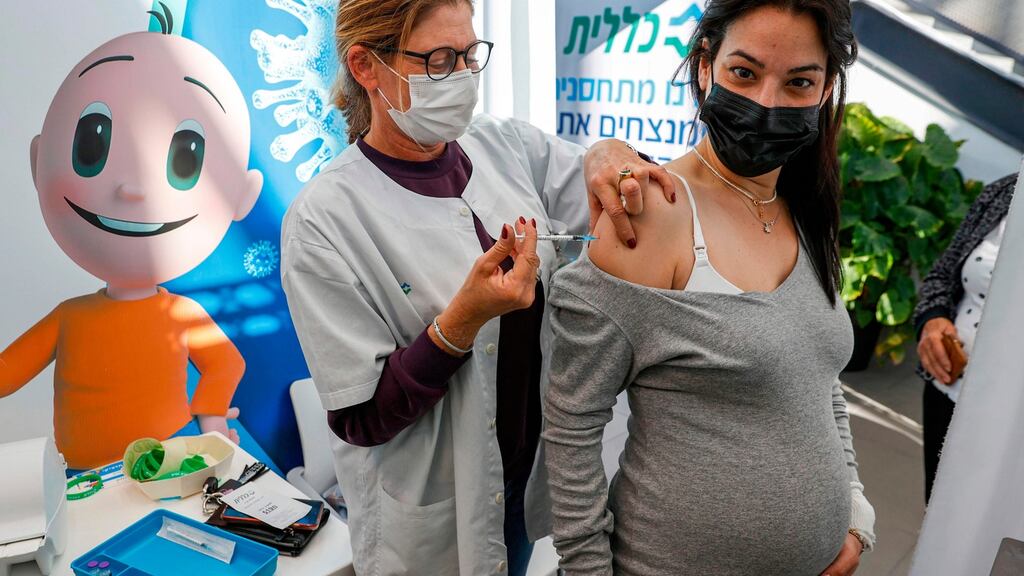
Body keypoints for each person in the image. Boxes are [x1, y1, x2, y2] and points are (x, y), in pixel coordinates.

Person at [279, 1, 674, 574]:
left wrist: (610, 155)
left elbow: (615, 190)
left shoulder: (503, 146)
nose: (462, 78)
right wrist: (461, 320)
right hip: (433, 516)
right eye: (439, 60)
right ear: (366, 67)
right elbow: (360, 418)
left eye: (470, 55)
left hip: (517, 481)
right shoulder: (325, 221)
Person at [543, 1, 877, 574]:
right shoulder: (652, 213)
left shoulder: (804, 212)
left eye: (800, 82)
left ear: (826, 91)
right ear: (705, 66)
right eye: (744, 73)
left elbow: (817, 379)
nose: (767, 104)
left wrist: (853, 513)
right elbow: (571, 423)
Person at [0, 15, 260, 471]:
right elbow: (6, 374)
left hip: (170, 464)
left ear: (241, 195)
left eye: (185, 158)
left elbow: (226, 364)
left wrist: (211, 417)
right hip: (85, 482)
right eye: (92, 145)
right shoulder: (71, 317)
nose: (131, 190)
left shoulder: (181, 315)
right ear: (39, 162)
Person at [913, 172, 1017, 503]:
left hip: (1011, 423)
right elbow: (943, 274)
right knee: (937, 513)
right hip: (949, 390)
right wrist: (933, 320)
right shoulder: (1005, 190)